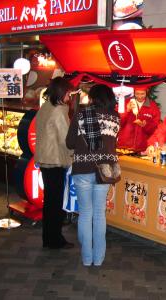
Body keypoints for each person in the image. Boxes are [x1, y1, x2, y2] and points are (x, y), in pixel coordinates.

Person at [66, 84, 120, 266]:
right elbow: (111, 143)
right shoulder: (115, 117)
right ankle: (99, 259)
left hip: (83, 168)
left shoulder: (82, 114)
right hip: (105, 170)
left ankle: (87, 258)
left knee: (86, 214)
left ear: (92, 97)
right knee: (99, 214)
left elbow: (69, 143)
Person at [34, 76, 74, 249]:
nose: (70, 96)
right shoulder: (60, 110)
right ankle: (55, 239)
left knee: (50, 201)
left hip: (45, 158)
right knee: (55, 202)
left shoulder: (46, 106)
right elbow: (67, 140)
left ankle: (48, 238)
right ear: (62, 92)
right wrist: (75, 153)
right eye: (69, 93)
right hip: (55, 160)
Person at [117, 87, 161, 152]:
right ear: (134, 92)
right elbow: (117, 122)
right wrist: (127, 110)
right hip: (124, 147)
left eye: (142, 94)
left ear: (147, 91)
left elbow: (156, 128)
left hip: (142, 148)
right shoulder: (125, 103)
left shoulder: (153, 107)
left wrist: (145, 125)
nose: (140, 96)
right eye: (137, 94)